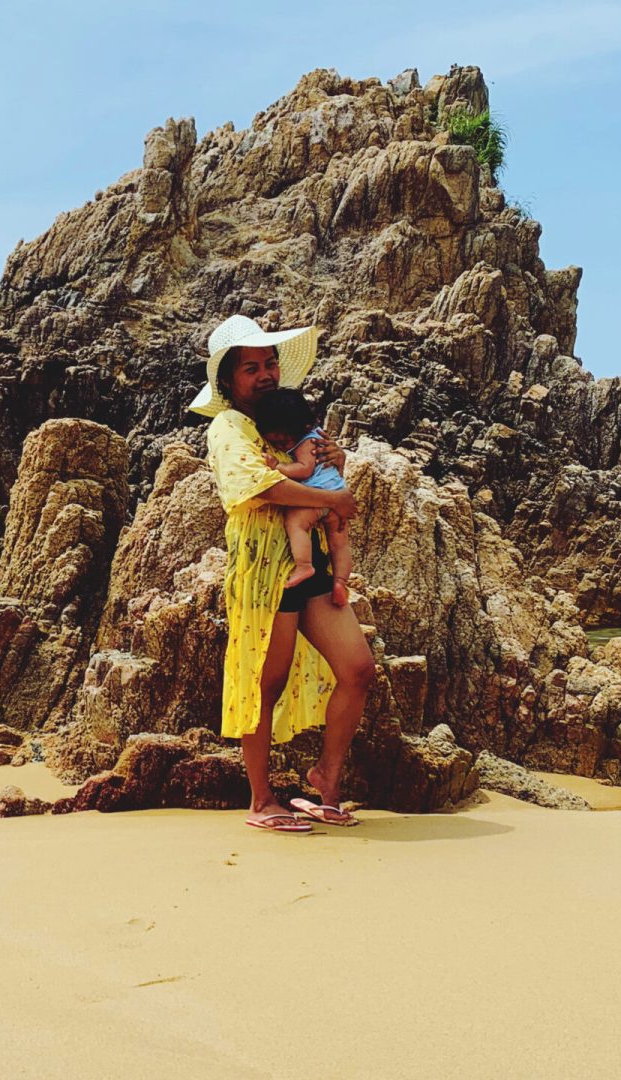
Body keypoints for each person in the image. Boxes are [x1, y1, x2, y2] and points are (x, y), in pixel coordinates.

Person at [189, 315, 378, 833]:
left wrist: (330, 460)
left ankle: (326, 780)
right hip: (263, 573)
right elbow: (256, 487)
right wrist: (331, 497)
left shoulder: (286, 420)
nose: (267, 373)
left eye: (270, 362)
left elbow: (310, 471)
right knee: (265, 683)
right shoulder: (228, 427)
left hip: (308, 562)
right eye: (252, 367)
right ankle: (261, 799)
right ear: (228, 380)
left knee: (358, 670)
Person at [253, 387, 353, 609]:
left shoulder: (307, 442)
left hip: (320, 496)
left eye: (283, 441)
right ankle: (340, 582)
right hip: (337, 494)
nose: (280, 446)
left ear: (302, 428)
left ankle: (304, 565)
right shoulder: (315, 434)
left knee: (295, 522)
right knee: (340, 544)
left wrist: (279, 466)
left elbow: (305, 470)